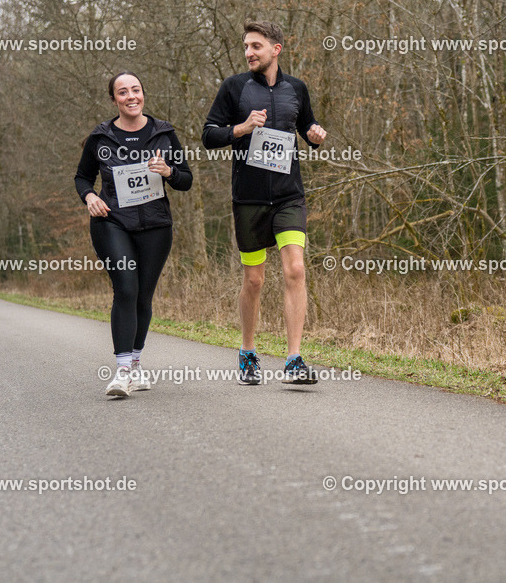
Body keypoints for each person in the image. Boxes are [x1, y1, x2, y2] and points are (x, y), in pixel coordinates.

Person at [202, 20, 326, 385]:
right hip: (249, 198)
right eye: (245, 47)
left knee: (296, 270)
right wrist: (241, 128)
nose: (249, 53)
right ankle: (248, 352)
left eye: (256, 46)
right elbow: (209, 135)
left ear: (276, 49)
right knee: (254, 280)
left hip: (289, 195)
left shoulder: (296, 89)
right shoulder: (234, 88)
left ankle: (293, 360)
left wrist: (316, 135)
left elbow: (308, 127)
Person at [75, 72, 193, 397]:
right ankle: (122, 370)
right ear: (114, 99)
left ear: (143, 94)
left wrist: (169, 172)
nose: (131, 96)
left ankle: (137, 363)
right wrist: (90, 197)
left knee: (143, 296)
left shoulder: (164, 133)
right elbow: (82, 177)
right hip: (112, 221)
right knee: (125, 288)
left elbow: (186, 179)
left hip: (156, 225)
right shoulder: (101, 137)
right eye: (122, 92)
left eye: (136, 90)